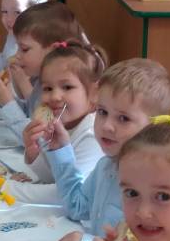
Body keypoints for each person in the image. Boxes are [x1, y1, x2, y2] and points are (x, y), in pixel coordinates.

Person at [48, 59, 170, 241]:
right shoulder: (106, 166)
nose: (107, 126)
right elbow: (77, 207)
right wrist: (61, 150)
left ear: (153, 127)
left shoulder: (152, 185)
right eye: (102, 112)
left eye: (123, 118)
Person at [6, 40, 106, 205]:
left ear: (95, 93)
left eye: (67, 87)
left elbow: (64, 194)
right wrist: (33, 153)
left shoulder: (93, 135)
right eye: (48, 88)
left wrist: (7, 189)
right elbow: (54, 177)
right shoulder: (60, 125)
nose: (54, 96)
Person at [0, 2, 83, 143]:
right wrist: (2, 95)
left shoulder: (61, 93)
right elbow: (31, 113)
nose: (17, 55)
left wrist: (8, 103)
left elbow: (39, 140)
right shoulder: (40, 81)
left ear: (52, 50)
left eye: (24, 49)